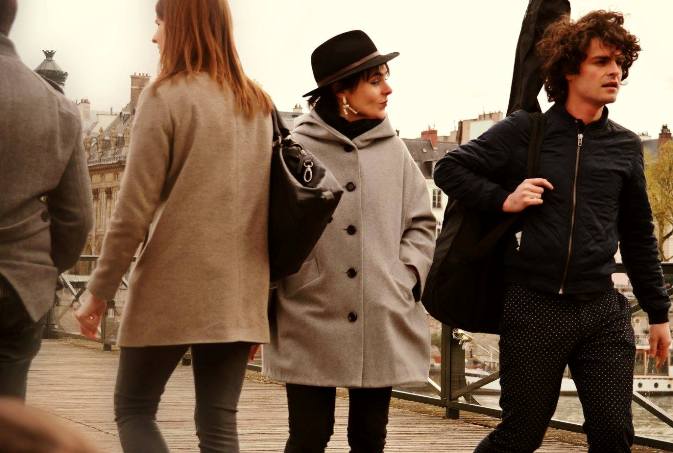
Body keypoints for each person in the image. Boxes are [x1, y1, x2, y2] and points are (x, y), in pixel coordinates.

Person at [434, 10, 671, 453]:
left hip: (601, 309)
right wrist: (504, 198)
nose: (615, 71)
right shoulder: (527, 130)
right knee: (520, 436)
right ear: (568, 69)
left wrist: (658, 314)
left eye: (619, 62)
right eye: (602, 61)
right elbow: (449, 168)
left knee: (614, 436)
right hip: (534, 306)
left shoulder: (624, 145)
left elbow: (638, 234)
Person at [74, 0, 273, 451]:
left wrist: (99, 292)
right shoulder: (258, 103)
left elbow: (131, 211)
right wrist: (259, 306)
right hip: (239, 292)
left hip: (171, 286)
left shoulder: (164, 97)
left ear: (180, 26)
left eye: (158, 24)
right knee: (219, 425)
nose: (154, 36)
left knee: (134, 409)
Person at [262, 30, 436, 453]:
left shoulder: (395, 151)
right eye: (375, 81)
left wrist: (405, 275)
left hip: (379, 311)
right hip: (309, 310)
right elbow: (266, 226)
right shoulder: (293, 149)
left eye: (385, 78)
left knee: (369, 437)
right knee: (308, 436)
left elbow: (422, 223)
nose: (388, 89)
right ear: (342, 91)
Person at [0, 0, 93, 400]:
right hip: (19, 288)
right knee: (9, 417)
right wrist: (44, 269)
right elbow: (77, 218)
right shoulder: (58, 106)